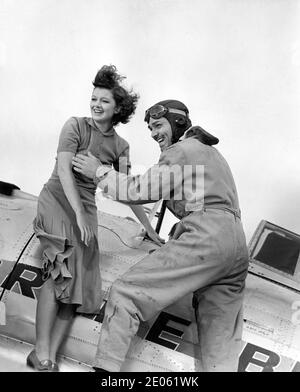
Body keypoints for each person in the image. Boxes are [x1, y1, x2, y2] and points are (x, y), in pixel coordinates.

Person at [72, 99, 249, 372]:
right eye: (151, 128)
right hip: (235, 247)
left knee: (126, 293)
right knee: (220, 342)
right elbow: (204, 205)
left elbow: (139, 191)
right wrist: (178, 235)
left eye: (157, 125)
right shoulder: (211, 154)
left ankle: (105, 373)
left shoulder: (182, 151)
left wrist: (99, 171)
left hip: (208, 239)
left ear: (178, 123)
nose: (154, 133)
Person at [28, 65, 162, 372]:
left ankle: (50, 358)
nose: (96, 104)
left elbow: (127, 192)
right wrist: (79, 215)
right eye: (94, 98)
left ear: (117, 110)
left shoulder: (120, 147)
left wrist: (149, 230)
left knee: (79, 288)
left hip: (85, 209)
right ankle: (42, 353)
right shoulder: (75, 126)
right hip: (59, 200)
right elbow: (64, 172)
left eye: (104, 101)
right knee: (60, 272)